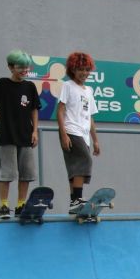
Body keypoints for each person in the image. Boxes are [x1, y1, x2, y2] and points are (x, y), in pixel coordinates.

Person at [0, 50, 41, 219]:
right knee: (7, 174)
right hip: (8, 136)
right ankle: (3, 205)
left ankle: (21, 204)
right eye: (20, 67)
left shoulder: (30, 86)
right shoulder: (2, 84)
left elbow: (34, 109)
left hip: (26, 136)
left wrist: (35, 131)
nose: (24, 70)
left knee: (26, 173)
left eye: (26, 67)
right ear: (11, 67)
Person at [56, 52, 101, 213]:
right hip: (71, 130)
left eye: (87, 70)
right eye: (81, 69)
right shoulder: (68, 86)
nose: (84, 73)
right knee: (85, 161)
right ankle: (77, 200)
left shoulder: (89, 90)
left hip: (84, 134)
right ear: (73, 69)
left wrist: (95, 140)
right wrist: (63, 134)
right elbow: (60, 110)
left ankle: (73, 203)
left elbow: (90, 117)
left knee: (75, 168)